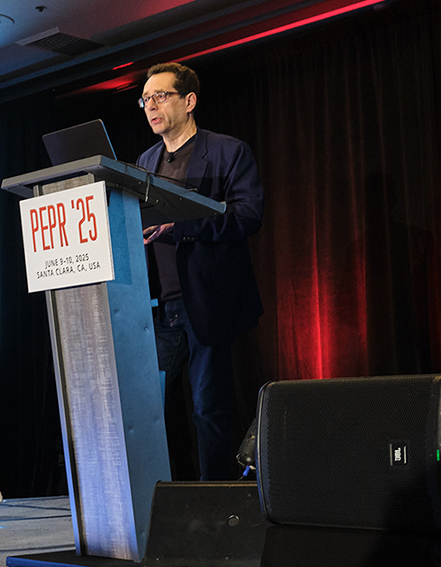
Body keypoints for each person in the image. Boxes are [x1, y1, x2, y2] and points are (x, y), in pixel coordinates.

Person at [138, 62, 264, 481]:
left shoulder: (228, 151)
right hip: (160, 304)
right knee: (148, 404)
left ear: (189, 101)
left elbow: (248, 215)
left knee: (209, 407)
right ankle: (168, 493)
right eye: (145, 99)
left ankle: (215, 498)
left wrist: (182, 226)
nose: (151, 105)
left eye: (160, 96)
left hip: (207, 299)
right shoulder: (146, 160)